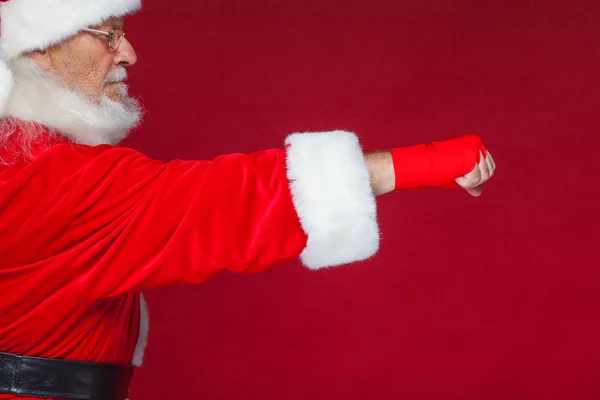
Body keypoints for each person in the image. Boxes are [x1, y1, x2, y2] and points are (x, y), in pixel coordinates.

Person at [0, 1, 496, 399]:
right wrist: (420, 164)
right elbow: (227, 201)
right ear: (40, 48)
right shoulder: (53, 181)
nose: (128, 53)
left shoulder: (23, 164)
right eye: (108, 33)